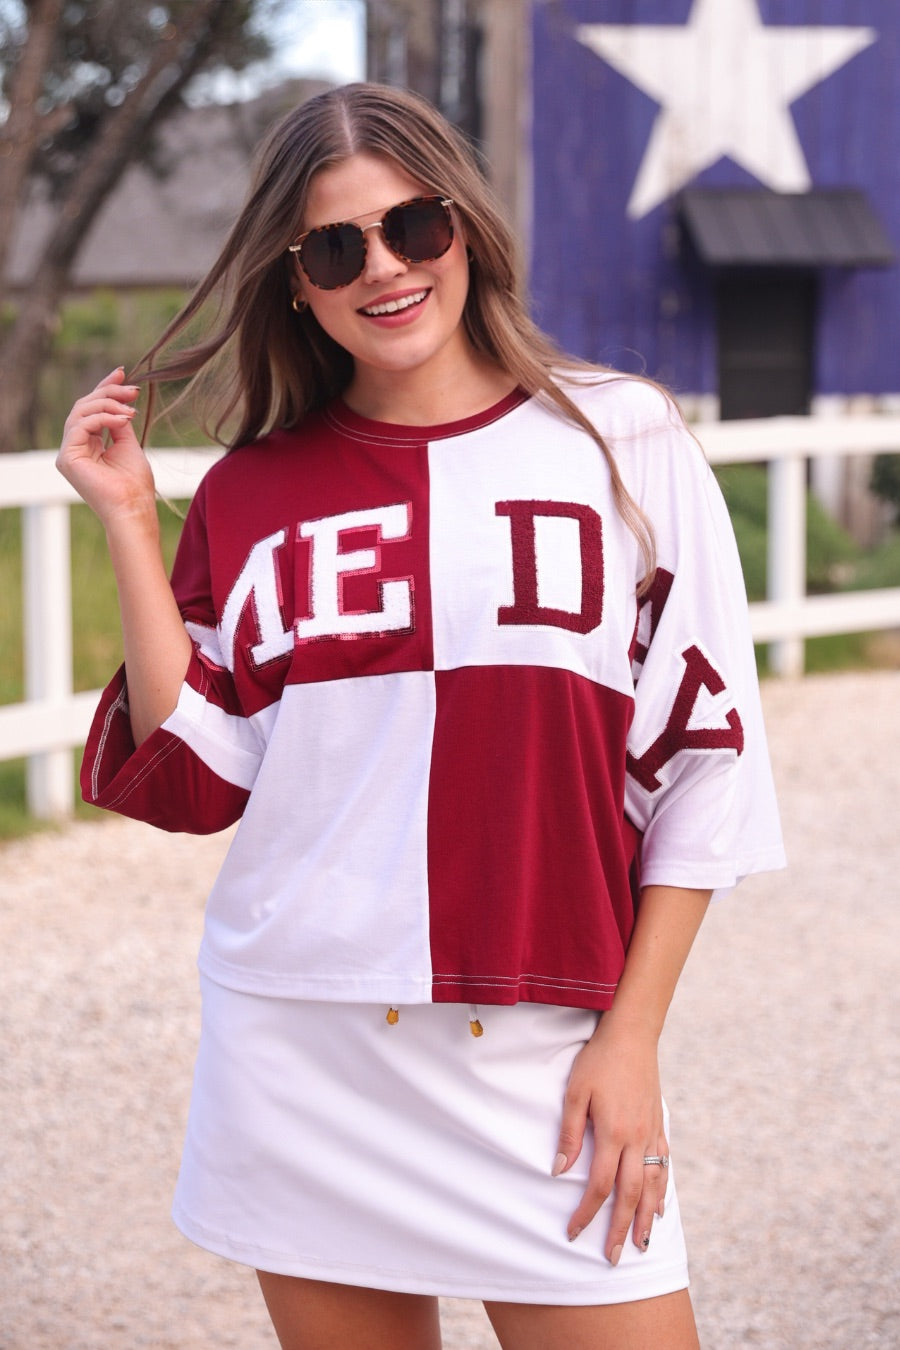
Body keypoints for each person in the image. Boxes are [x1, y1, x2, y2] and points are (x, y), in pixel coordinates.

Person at [57, 82, 784, 1350]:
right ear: (296, 283)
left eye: (413, 227)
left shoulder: (622, 440)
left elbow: (707, 767)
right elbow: (195, 772)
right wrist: (128, 519)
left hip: (544, 1049)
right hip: (303, 1049)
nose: (385, 269)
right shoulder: (252, 491)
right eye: (336, 249)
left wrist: (633, 1040)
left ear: (467, 228)